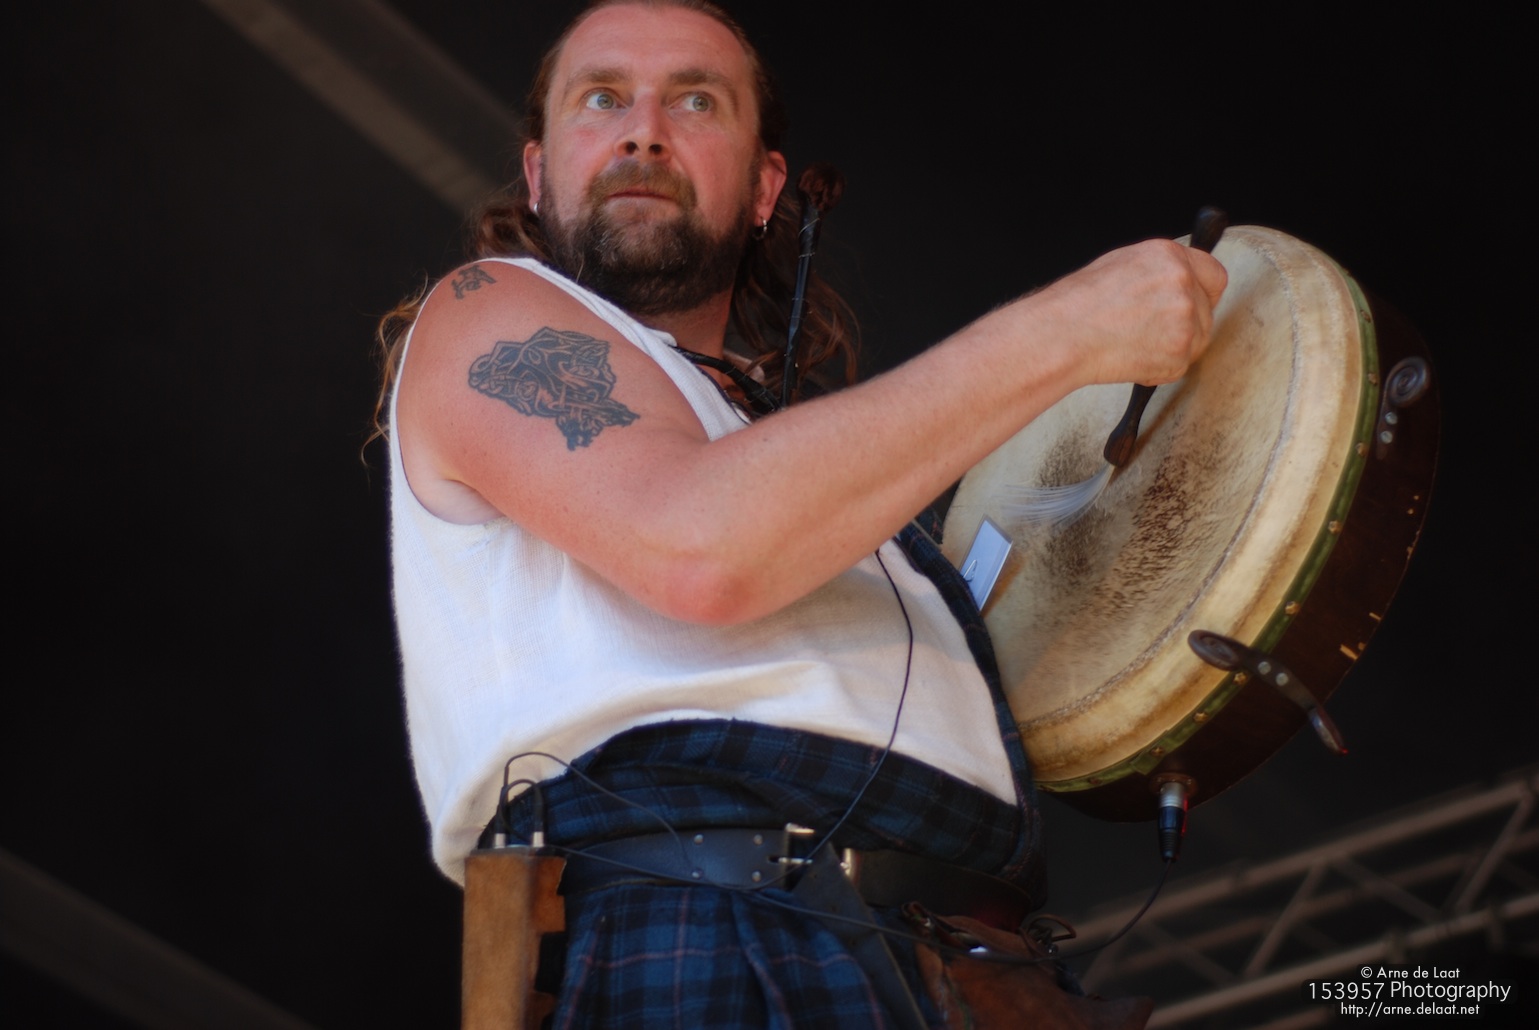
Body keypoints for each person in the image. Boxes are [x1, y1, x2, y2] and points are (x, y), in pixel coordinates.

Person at [378, 1, 1226, 1025]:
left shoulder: (805, 471)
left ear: (765, 188)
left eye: (696, 101)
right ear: (536, 170)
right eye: (601, 99)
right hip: (729, 923)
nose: (643, 130)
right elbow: (702, 547)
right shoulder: (486, 310)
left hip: (979, 966)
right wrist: (1070, 329)